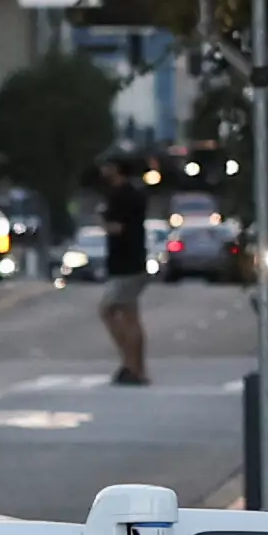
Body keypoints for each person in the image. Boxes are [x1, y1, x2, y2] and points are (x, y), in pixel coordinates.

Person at [96, 159, 150, 385]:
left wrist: (102, 219)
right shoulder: (134, 194)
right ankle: (137, 368)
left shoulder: (119, 196)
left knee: (107, 310)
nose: (103, 169)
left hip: (125, 265)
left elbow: (117, 227)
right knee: (130, 317)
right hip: (134, 262)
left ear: (117, 169)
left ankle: (130, 363)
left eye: (107, 165)